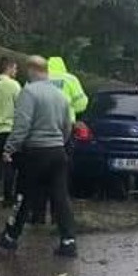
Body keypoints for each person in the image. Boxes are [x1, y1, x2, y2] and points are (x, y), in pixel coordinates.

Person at [0, 56, 77, 256]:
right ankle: (68, 240)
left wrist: (9, 148)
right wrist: (59, 143)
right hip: (57, 153)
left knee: (23, 195)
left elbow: (22, 125)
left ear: (32, 70)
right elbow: (67, 126)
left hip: (35, 152)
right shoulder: (60, 95)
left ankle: (10, 236)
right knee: (60, 197)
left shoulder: (29, 93)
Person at [29, 56, 89, 224]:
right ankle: (58, 217)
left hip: (40, 130)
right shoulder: (69, 79)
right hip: (65, 130)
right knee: (60, 175)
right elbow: (82, 103)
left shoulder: (37, 80)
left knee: (38, 175)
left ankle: (37, 216)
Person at [0, 57, 21, 207]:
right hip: (9, 127)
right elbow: (21, 106)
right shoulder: (13, 85)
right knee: (11, 163)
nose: (16, 72)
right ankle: (8, 196)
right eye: (15, 69)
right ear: (10, 68)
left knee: (0, 157)